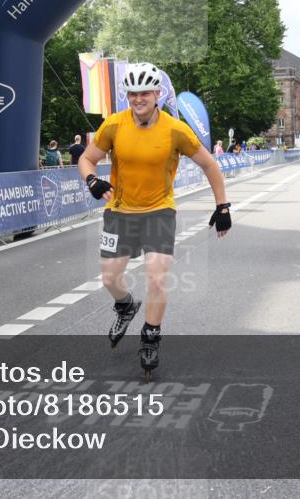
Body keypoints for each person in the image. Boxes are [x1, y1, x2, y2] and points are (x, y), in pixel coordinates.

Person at [78, 62, 230, 381]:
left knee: (157, 278)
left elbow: (210, 165)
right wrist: (92, 179)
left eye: (144, 92)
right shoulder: (114, 125)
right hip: (120, 211)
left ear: (157, 94)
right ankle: (125, 306)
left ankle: (150, 338)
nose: (138, 99)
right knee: (109, 279)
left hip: (160, 210)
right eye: (132, 93)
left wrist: (223, 206)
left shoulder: (175, 130)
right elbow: (86, 158)